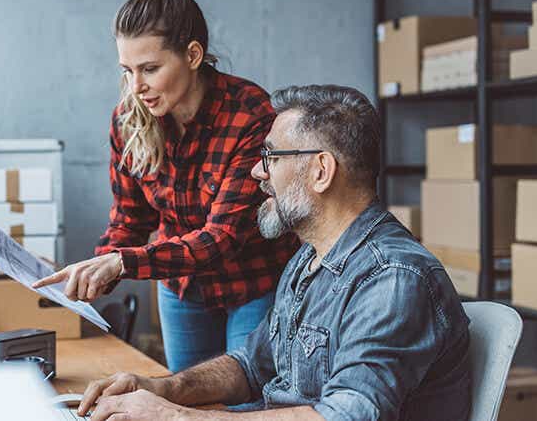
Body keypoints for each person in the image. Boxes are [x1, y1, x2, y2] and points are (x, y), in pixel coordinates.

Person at [75, 85, 472, 421]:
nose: (257, 173)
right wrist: (163, 388)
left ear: (321, 171)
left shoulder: (394, 278)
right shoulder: (307, 259)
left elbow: (345, 416)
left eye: (270, 157)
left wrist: (176, 417)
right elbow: (252, 365)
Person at [34, 0, 299, 372]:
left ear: (193, 56)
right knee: (186, 399)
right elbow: (129, 221)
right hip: (181, 289)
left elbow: (221, 238)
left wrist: (122, 263)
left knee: (245, 402)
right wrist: (93, 272)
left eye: (150, 69)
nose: (136, 86)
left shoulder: (249, 114)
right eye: (127, 70)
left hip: (253, 284)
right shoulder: (128, 120)